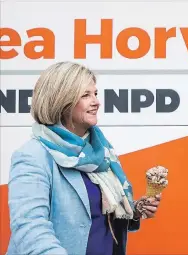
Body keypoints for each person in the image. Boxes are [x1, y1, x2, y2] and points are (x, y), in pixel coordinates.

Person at [6, 61, 161, 255]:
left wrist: (135, 210)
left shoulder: (100, 151)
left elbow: (99, 213)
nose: (96, 101)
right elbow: (30, 230)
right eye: (86, 95)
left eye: (95, 93)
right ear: (62, 101)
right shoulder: (32, 156)